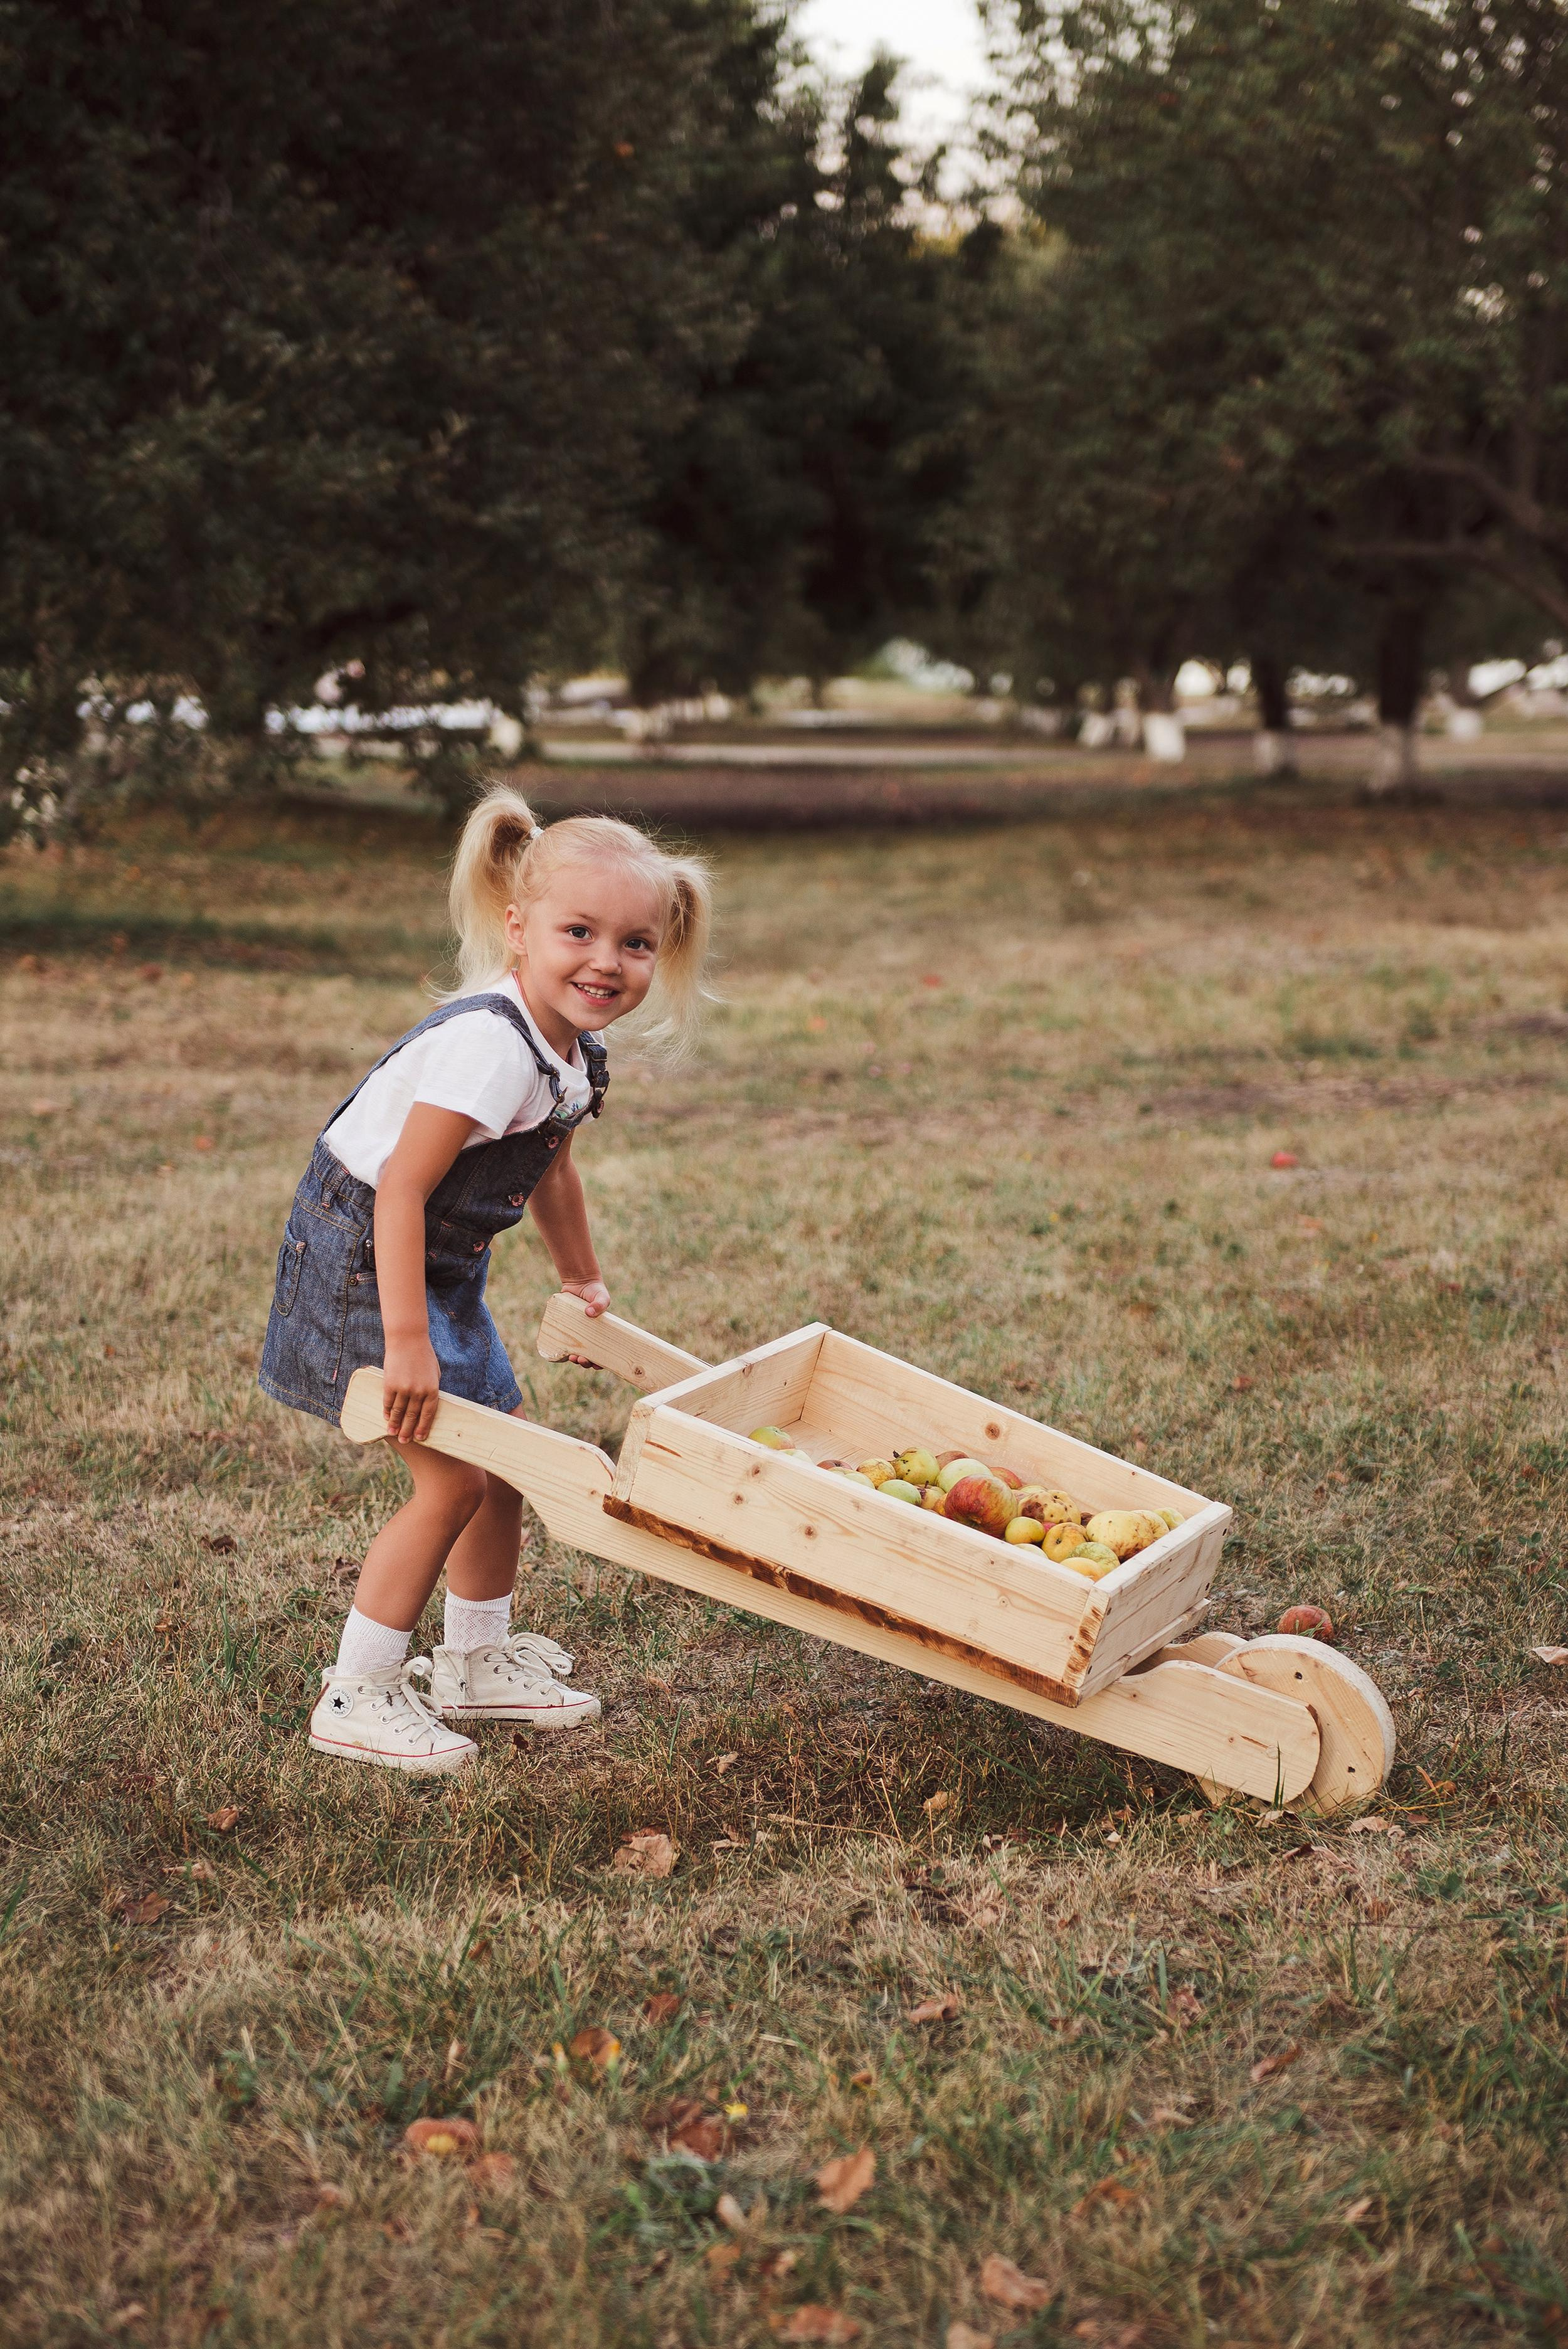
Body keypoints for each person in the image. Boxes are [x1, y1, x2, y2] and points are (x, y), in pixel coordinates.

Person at [259, 785, 711, 1773]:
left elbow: (552, 1169)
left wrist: (583, 1277)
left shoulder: (573, 1051)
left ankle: (474, 1664)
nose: (606, 961)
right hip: (364, 1257)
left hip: (439, 1264)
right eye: (579, 932)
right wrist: (406, 1342)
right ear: (518, 928)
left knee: (504, 1456)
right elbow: (400, 1190)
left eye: (635, 942)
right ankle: (357, 1692)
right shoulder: (490, 1048)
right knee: (453, 1478)